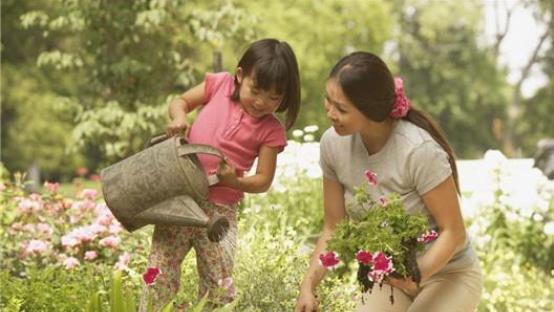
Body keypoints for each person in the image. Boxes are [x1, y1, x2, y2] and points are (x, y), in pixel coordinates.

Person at [295, 52, 482, 312]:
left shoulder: (418, 150)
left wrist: (414, 278)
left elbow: (454, 232)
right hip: (393, 278)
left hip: (449, 274)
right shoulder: (332, 144)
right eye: (328, 100)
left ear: (371, 110)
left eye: (341, 108)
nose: (330, 112)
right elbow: (333, 227)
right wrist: (308, 286)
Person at [139, 38, 301, 311]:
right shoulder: (221, 85)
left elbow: (263, 180)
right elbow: (180, 102)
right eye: (256, 90)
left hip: (220, 213)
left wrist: (234, 181)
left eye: (274, 97)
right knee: (160, 271)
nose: (262, 102)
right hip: (181, 197)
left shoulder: (271, 130)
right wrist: (179, 119)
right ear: (240, 76)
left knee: (218, 283)